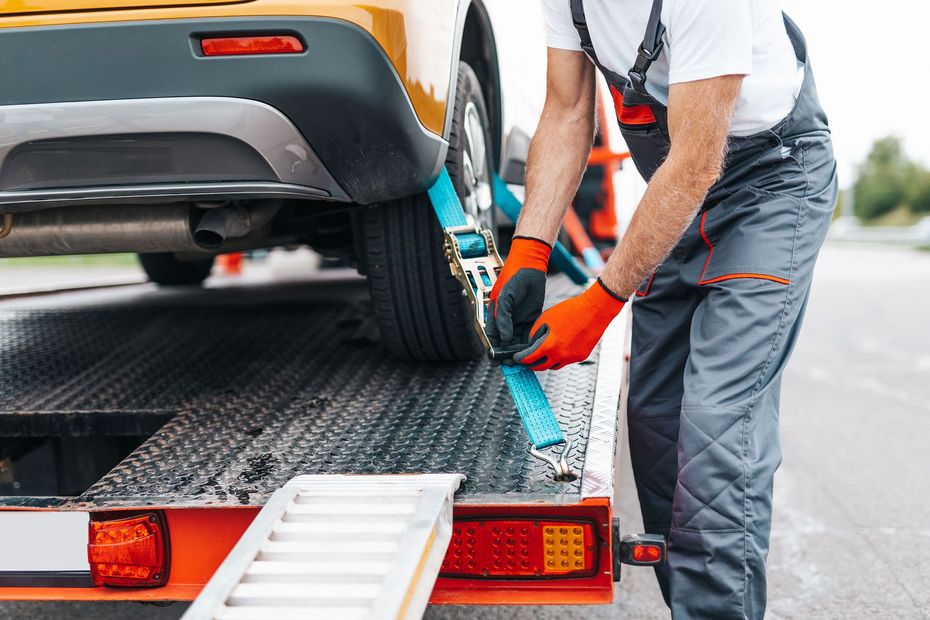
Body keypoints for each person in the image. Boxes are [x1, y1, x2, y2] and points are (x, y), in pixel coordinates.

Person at [485, 0, 837, 617]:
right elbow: (568, 112)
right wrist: (530, 251)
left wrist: (598, 305)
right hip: (680, 193)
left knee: (714, 434)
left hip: (770, 186)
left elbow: (699, 158)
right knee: (658, 430)